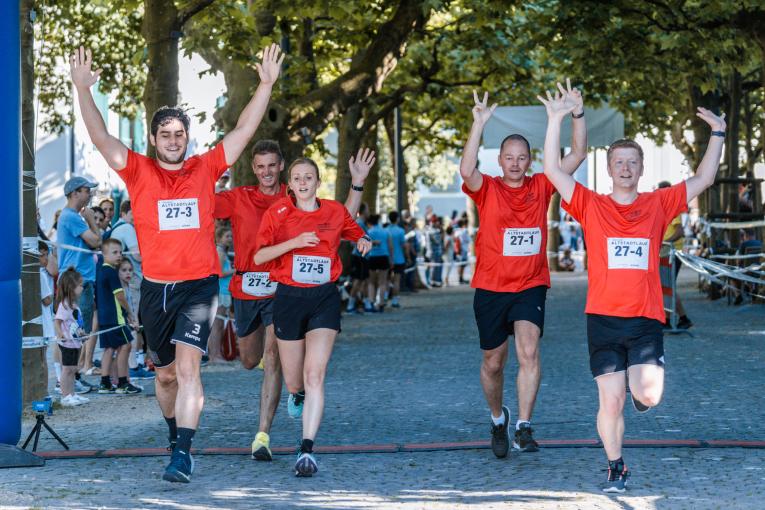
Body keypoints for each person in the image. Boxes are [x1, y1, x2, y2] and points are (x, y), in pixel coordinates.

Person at [71, 42, 284, 483]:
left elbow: (244, 130)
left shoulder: (206, 169)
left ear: (188, 139)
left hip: (199, 287)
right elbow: (101, 138)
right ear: (153, 140)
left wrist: (264, 85)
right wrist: (82, 90)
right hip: (155, 289)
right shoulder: (138, 171)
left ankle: (183, 454)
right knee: (165, 378)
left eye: (179, 134)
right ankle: (174, 437)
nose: (173, 140)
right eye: (165, 134)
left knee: (189, 370)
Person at [539, 82, 725, 492]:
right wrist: (557, 119)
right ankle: (615, 465)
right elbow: (553, 171)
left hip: (643, 320)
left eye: (632, 163)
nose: (625, 168)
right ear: (609, 169)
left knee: (648, 396)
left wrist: (718, 132)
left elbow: (706, 177)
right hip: (602, 319)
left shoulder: (658, 204)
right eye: (618, 162)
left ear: (641, 170)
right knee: (611, 400)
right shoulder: (590, 204)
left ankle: (645, 387)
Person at [214, 141, 374, 461]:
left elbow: (339, 217)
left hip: (287, 288)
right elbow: (202, 206)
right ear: (253, 169)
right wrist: (212, 177)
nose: (266, 172)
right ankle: (291, 382)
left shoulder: (298, 194)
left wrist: (358, 185)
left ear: (282, 166)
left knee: (275, 356)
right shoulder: (243, 199)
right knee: (250, 359)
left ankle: (264, 435)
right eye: (260, 166)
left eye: (272, 165)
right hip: (247, 284)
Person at [460, 84, 587, 458]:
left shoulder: (543, 184)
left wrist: (576, 113)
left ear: (530, 161)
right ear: (499, 161)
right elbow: (467, 169)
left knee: (529, 352)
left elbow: (578, 153)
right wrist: (478, 124)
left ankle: (524, 426)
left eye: (522, 158)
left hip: (530, 284)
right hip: (491, 286)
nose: (515, 163)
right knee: (493, 362)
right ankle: (498, 418)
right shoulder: (488, 188)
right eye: (509, 157)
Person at [254, 157, 372, 477]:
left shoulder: (333, 211)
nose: (303, 181)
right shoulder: (277, 213)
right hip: (289, 299)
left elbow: (353, 228)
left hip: (323, 298)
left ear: (318, 182)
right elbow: (259, 255)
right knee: (295, 381)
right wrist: (293, 242)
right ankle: (298, 394)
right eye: (297, 177)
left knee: (315, 374)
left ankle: (306, 450)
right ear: (289, 185)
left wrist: (362, 239)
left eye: (309, 176)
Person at [58, 176, 102, 388]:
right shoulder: (71, 216)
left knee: (78, 330)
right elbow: (96, 241)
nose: (90, 194)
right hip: (76, 281)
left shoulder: (72, 216)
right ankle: (67, 380)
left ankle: (72, 378)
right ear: (75, 193)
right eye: (86, 190)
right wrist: (92, 220)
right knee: (74, 331)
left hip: (81, 281)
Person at [95, 239, 141, 394]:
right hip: (115, 319)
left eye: (120, 252)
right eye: (114, 252)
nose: (119, 255)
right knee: (126, 345)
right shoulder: (110, 271)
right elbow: (120, 296)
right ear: (104, 253)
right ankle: (122, 383)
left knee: (109, 349)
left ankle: (105, 382)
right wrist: (129, 313)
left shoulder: (101, 270)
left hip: (104, 317)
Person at [657, 181, 692, 328]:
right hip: (665, 252)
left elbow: (679, 231)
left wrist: (664, 241)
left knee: (667, 286)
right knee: (665, 286)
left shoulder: (673, 208)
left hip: (671, 252)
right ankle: (679, 318)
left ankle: (671, 319)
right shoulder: (663, 208)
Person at [54, 268, 90, 407]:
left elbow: (75, 324)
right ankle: (65, 396)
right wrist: (60, 334)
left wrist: (82, 334)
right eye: (80, 285)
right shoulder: (64, 305)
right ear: (71, 287)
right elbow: (57, 321)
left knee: (73, 369)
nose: (82, 287)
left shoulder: (74, 305)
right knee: (67, 369)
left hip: (75, 342)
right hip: (67, 343)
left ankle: (72, 394)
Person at [207, 226, 234, 363]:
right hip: (221, 292)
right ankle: (215, 355)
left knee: (218, 324)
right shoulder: (220, 252)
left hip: (224, 291)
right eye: (227, 236)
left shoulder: (221, 251)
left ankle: (216, 354)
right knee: (217, 325)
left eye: (230, 236)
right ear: (219, 238)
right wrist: (235, 270)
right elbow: (219, 273)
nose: (230, 239)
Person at [366, 214, 393, 311]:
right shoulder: (386, 231)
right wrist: (391, 259)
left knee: (371, 282)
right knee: (382, 282)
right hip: (384, 257)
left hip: (372, 257)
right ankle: (381, 302)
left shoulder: (369, 231)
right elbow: (390, 246)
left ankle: (371, 302)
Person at [346, 203, 370, 313]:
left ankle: (365, 303)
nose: (369, 211)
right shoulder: (359, 223)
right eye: (368, 209)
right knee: (358, 280)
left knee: (363, 280)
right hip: (359, 256)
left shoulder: (361, 223)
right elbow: (355, 240)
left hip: (362, 256)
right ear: (364, 211)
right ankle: (350, 305)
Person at [387, 211, 407, 308]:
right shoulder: (400, 231)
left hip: (387, 258)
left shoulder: (385, 230)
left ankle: (384, 297)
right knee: (396, 281)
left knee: (385, 280)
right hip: (399, 258)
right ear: (397, 219)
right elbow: (403, 245)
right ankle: (395, 301)